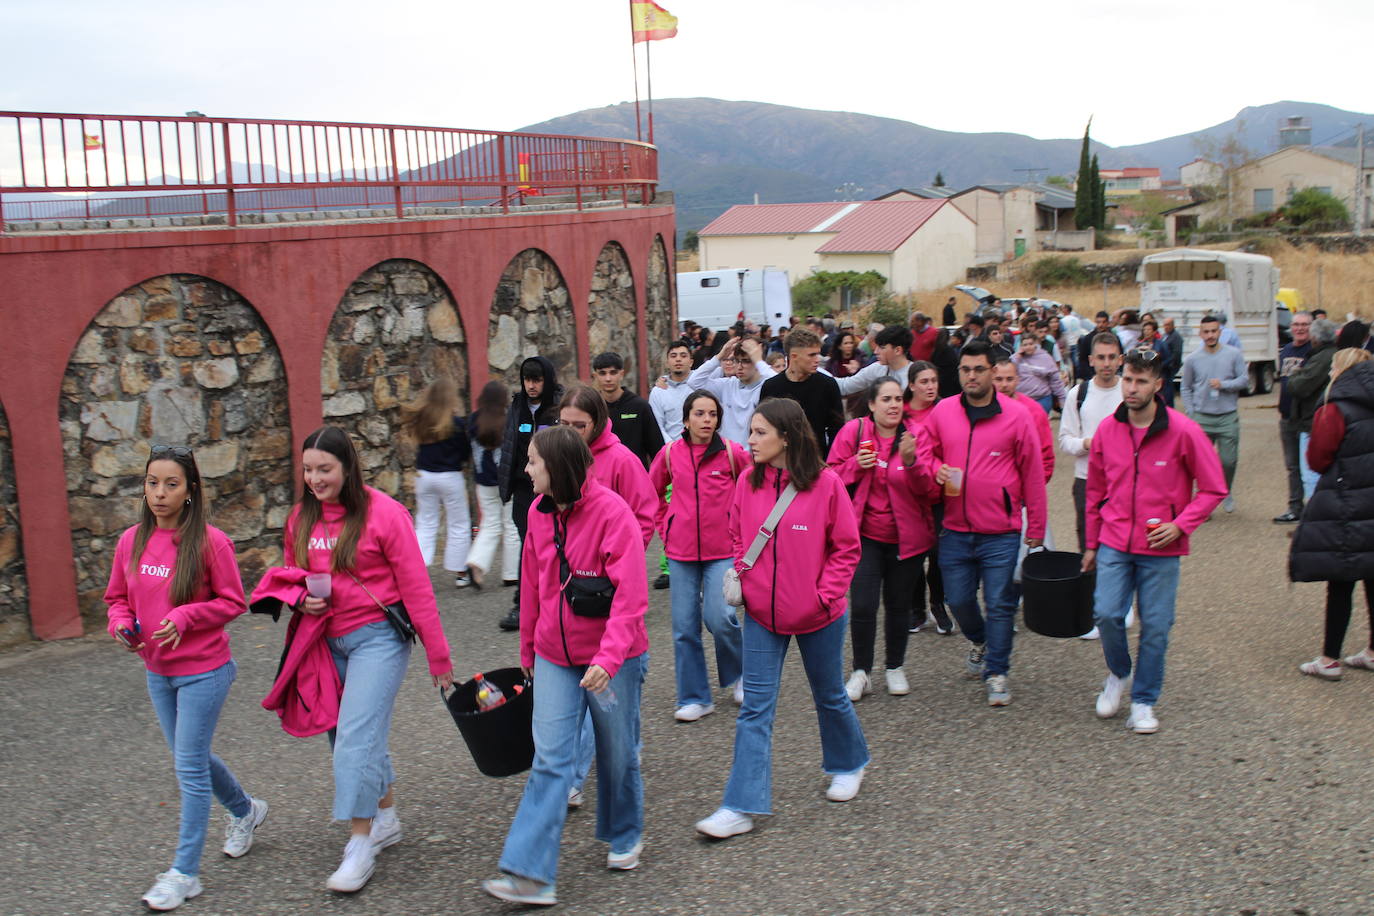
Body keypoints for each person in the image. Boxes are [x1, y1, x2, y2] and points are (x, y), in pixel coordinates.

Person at [482, 426, 650, 907]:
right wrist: (528, 650)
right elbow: (533, 586)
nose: (526, 469)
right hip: (554, 657)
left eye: (533, 461)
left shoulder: (613, 514)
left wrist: (609, 657)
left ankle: (624, 833)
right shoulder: (536, 514)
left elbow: (632, 599)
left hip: (613, 660)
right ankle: (531, 874)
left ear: (557, 468)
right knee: (551, 759)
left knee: (617, 754)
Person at [285, 426, 454, 892]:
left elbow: (417, 587)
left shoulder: (385, 514)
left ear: (347, 468)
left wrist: (438, 657)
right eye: (308, 470)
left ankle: (359, 844)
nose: (316, 479)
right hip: (323, 638)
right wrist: (301, 598)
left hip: (378, 638)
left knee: (355, 738)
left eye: (325, 470)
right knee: (342, 732)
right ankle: (386, 816)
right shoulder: (300, 517)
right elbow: (291, 573)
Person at [694, 398, 865, 841]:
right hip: (761, 616)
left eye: (759, 433)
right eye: (750, 431)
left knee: (829, 694)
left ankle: (848, 764)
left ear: (786, 437)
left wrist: (823, 596)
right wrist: (746, 579)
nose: (749, 440)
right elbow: (736, 532)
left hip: (819, 615)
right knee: (755, 709)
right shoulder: (747, 483)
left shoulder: (826, 484)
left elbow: (846, 547)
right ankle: (739, 806)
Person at [104, 445, 264, 912]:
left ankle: (184, 873)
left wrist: (188, 615)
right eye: (152, 482)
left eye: (171, 484)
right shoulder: (131, 541)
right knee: (189, 756)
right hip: (158, 670)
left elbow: (233, 601)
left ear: (190, 490)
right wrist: (120, 625)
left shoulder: (211, 543)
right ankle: (245, 810)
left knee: (188, 767)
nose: (159, 492)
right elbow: (117, 599)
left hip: (205, 671)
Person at [1083, 350, 1226, 734]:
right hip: (1114, 540)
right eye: (1128, 379)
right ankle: (1118, 673)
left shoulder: (1184, 431)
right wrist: (1092, 544)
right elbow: (1095, 490)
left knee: (1157, 626)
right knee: (1107, 614)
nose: (1132, 388)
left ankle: (1143, 701)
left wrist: (1181, 525)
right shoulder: (1108, 432)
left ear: (1158, 385)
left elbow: (1214, 489)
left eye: (1141, 381)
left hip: (1161, 548)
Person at [926, 339, 1047, 707]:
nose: (972, 376)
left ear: (993, 372)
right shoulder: (943, 411)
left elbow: (1033, 474)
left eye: (979, 369)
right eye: (965, 370)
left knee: (999, 603)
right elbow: (925, 453)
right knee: (958, 600)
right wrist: (935, 469)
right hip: (955, 529)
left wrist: (1036, 531)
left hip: (1001, 531)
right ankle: (981, 640)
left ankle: (997, 671)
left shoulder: (1017, 415)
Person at [827, 378, 939, 700]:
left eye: (897, 399)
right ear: (872, 404)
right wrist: (854, 466)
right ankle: (861, 671)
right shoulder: (855, 432)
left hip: (908, 539)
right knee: (862, 604)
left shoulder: (916, 436)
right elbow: (830, 475)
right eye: (886, 399)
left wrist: (912, 462)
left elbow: (930, 490)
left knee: (898, 605)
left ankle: (895, 666)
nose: (893, 405)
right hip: (863, 536)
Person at [649, 390, 750, 721]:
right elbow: (651, 496)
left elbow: (753, 491)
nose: (707, 420)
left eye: (712, 414)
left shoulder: (733, 454)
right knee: (684, 628)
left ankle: (738, 676)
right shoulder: (668, 455)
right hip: (680, 554)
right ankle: (695, 697)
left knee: (720, 617)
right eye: (700, 414)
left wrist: (742, 534)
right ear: (687, 418)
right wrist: (667, 527)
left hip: (722, 550)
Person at [1289, 352, 1374, 680]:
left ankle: (1329, 659)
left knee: (1341, 581)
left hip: (1346, 502)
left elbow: (1318, 459)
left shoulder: (1334, 408)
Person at [498, 356, 565, 631]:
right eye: (527, 380)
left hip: (554, 488)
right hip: (525, 488)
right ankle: (523, 604)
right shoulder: (517, 407)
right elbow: (509, 445)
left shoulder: (560, 405)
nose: (532, 386)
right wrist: (507, 484)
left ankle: (559, 597)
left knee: (557, 544)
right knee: (529, 546)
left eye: (537, 380)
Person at [400, 378, 472, 588]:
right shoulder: (456, 423)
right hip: (450, 476)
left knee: (425, 523)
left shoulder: (422, 420)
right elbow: (465, 451)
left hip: (425, 476)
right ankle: (461, 573)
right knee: (458, 523)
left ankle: (417, 571)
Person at [1059, 332, 1125, 553]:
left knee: (1124, 543)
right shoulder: (1078, 394)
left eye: (1111, 357)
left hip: (1124, 481)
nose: (1106, 363)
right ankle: (1091, 586)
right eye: (1101, 357)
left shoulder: (1129, 391)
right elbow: (1065, 440)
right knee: (1089, 545)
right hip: (1087, 480)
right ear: (1091, 360)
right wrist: (1087, 443)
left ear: (1120, 359)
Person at [903, 361, 952, 634]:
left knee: (939, 554)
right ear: (911, 385)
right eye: (924, 382)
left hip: (940, 493)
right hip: (909, 496)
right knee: (912, 555)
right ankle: (916, 608)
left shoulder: (947, 409)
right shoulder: (900, 413)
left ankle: (937, 603)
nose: (930, 386)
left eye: (934, 380)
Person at [1181, 315, 1247, 513]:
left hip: (1227, 415)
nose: (1210, 335)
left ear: (1220, 332)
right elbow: (1185, 387)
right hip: (1202, 416)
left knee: (1229, 460)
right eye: (1206, 332)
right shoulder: (1193, 359)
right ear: (1200, 333)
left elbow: (1244, 380)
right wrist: (1191, 412)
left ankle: (1225, 490)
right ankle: (1204, 501)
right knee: (1200, 462)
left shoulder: (1233, 354)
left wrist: (1224, 385)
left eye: (1213, 331)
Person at [467, 380, 520, 590]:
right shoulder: (508, 420)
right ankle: (511, 574)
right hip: (506, 481)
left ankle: (477, 562)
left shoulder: (473, 420)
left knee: (490, 523)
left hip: (483, 482)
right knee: (511, 525)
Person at [759, 327, 846, 453]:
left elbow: (837, 429)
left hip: (818, 461)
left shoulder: (827, 385)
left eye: (818, 353)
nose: (817, 359)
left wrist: (831, 462)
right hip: (781, 460)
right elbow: (763, 426)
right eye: (812, 355)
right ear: (794, 356)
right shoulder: (771, 387)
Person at [686, 336, 777, 446]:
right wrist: (719, 356)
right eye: (737, 361)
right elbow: (694, 382)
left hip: (755, 456)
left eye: (746, 361)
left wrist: (758, 360)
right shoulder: (728, 384)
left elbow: (779, 385)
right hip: (728, 454)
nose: (739, 366)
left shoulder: (766, 386)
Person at [1286, 318, 1340, 505]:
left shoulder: (1323, 357)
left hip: (1312, 423)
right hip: (1313, 420)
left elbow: (1298, 387)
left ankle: (1314, 515)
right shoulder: (1323, 355)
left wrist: (1296, 373)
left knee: (1310, 474)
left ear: (1315, 337)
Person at [1274, 311, 1314, 523]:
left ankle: (1313, 508)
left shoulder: (1314, 352)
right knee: (1292, 466)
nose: (1300, 328)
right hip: (1287, 417)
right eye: (1296, 324)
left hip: (1306, 419)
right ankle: (1295, 506)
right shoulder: (1287, 349)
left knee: (1309, 466)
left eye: (1305, 325)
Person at [592, 351, 663, 470]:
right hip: (602, 476)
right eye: (602, 373)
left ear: (622, 374)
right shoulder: (592, 407)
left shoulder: (639, 406)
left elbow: (657, 450)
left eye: (613, 372)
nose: (608, 378)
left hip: (636, 476)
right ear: (595, 376)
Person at [835, 325, 916, 397]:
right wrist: (822, 377)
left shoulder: (917, 374)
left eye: (882, 347)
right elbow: (845, 386)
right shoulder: (877, 368)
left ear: (898, 350)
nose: (875, 352)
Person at [650, 339, 695, 444]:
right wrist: (673, 448)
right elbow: (657, 424)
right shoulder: (658, 391)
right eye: (673, 356)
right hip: (671, 449)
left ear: (691, 362)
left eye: (683, 356)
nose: (678, 359)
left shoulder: (702, 384)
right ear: (667, 362)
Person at [1011, 329, 1067, 414]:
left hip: (1042, 399)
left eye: (1031, 344)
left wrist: (1062, 398)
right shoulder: (1016, 358)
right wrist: (1017, 356)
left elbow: (1055, 380)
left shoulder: (1045, 357)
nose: (1028, 347)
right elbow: (1009, 370)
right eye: (1025, 344)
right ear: (1021, 346)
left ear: (1036, 344)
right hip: (1021, 398)